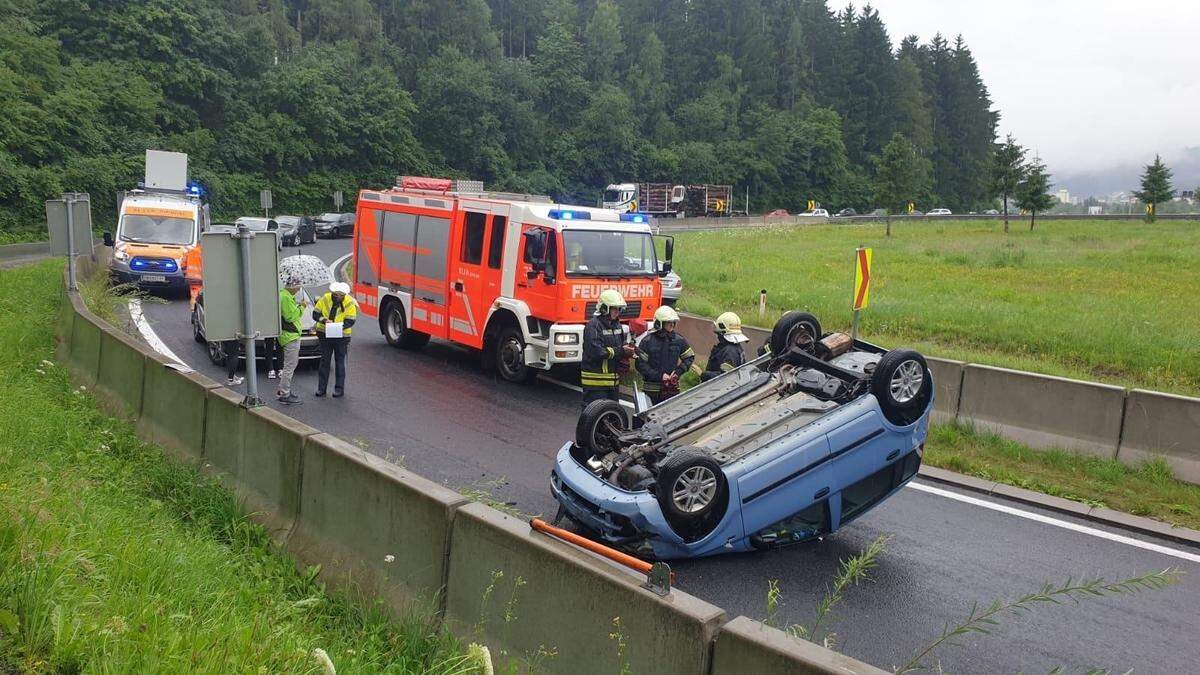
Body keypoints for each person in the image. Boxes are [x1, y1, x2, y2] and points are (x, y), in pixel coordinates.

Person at [580, 289, 633, 407]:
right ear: (604, 308)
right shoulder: (593, 326)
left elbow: (621, 345)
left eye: (619, 309)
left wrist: (628, 353)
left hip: (613, 382)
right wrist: (621, 351)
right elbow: (596, 351)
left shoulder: (617, 326)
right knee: (593, 417)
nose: (617, 312)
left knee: (613, 415)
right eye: (614, 309)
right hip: (595, 382)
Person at [636, 305, 695, 405]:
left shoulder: (679, 340)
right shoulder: (647, 341)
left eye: (673, 322)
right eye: (669, 322)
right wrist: (659, 376)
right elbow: (640, 365)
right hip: (651, 391)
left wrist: (678, 372)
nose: (672, 325)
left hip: (671, 390)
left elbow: (689, 357)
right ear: (659, 323)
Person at [313, 281, 357, 397]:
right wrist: (324, 320)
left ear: (344, 295)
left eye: (341, 295)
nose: (338, 297)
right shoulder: (325, 298)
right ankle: (321, 389)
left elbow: (351, 320)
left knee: (340, 363)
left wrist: (337, 327)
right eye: (336, 295)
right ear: (332, 293)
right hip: (325, 334)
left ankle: (339, 389)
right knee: (324, 362)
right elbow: (315, 314)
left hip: (341, 337)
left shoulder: (349, 302)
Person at [276, 275, 306, 405]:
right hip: (290, 336)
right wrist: (302, 307)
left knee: (290, 365)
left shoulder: (284, 295)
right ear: (293, 287)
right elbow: (290, 317)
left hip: (288, 335)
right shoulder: (286, 298)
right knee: (290, 366)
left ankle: (283, 390)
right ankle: (285, 393)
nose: (299, 289)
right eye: (298, 286)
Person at [701, 311, 749, 381]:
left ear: (722, 334)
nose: (717, 337)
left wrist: (704, 374)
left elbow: (726, 378)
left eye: (718, 334)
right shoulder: (736, 348)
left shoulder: (729, 351)